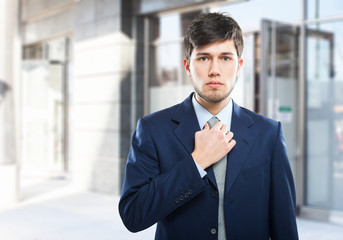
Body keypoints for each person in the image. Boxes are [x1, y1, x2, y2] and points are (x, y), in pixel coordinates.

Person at [119, 12, 298, 240]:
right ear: (187, 65)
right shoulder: (153, 130)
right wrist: (196, 163)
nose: (215, 70)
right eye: (204, 58)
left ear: (239, 65)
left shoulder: (268, 134)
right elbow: (133, 215)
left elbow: (285, 226)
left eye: (225, 58)